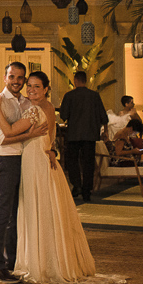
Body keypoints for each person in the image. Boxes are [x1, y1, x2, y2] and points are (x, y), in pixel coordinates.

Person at [0, 72, 124, 284]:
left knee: (38, 212)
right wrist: (52, 149)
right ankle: (51, 259)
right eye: (30, 86)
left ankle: (43, 263)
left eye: (37, 86)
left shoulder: (34, 111)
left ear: (46, 89)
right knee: (48, 212)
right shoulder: (49, 107)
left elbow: (7, 131)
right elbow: (51, 137)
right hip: (44, 159)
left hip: (35, 163)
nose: (31, 89)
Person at [0, 61, 46, 284]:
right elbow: (2, 138)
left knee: (16, 216)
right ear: (5, 78)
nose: (16, 82)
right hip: (4, 161)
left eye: (20, 78)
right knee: (2, 215)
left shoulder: (25, 102)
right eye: (12, 77)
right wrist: (31, 135)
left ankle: (12, 262)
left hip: (24, 161)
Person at [59, 71, 108, 202]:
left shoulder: (69, 96)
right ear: (85, 80)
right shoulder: (94, 96)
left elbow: (63, 115)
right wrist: (105, 131)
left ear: (75, 80)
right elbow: (103, 116)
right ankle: (87, 190)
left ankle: (77, 185)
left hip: (74, 134)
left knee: (72, 161)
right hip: (90, 134)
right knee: (88, 163)